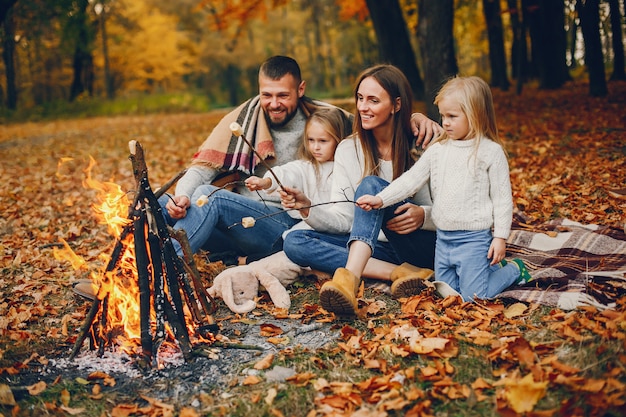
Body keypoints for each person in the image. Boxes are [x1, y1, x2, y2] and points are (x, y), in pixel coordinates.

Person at [162, 56, 441, 264]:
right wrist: (181, 197)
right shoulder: (241, 120)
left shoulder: (325, 119)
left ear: (301, 89)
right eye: (266, 95)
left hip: (284, 219)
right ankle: (145, 267)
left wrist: (414, 119)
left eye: (283, 95)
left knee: (211, 197)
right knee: (162, 202)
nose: (274, 103)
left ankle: (167, 270)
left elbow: (375, 121)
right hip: (244, 221)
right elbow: (201, 169)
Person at [281, 64, 440, 316]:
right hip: (376, 249)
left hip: (419, 242)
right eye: (360, 98)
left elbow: (455, 209)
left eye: (373, 100)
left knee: (370, 185)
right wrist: (307, 208)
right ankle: (400, 273)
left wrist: (424, 215)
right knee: (295, 241)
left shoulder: (423, 143)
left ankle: (349, 280)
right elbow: (344, 219)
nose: (363, 107)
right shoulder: (348, 149)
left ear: (396, 105)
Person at [356, 76, 531, 303]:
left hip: (473, 240)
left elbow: (502, 200)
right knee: (445, 293)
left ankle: (514, 270)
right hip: (444, 239)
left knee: (475, 297)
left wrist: (500, 237)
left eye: (452, 117)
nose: (445, 123)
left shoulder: (490, 152)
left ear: (475, 115)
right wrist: (381, 200)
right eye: (443, 116)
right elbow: (410, 180)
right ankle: (486, 274)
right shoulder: (439, 149)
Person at [244, 107, 350, 235]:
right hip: (311, 225)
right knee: (290, 237)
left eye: (323, 141)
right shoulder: (306, 167)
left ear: (340, 139)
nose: (315, 147)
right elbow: (288, 173)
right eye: (311, 140)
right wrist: (266, 182)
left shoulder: (348, 169)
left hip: (340, 228)